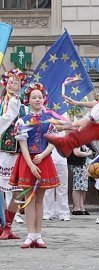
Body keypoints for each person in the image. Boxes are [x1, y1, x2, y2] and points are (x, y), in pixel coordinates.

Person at [9, 82, 60, 248]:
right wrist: (31, 164)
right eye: (34, 97)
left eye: (40, 97)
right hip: (27, 161)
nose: (37, 99)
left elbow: (53, 142)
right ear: (28, 100)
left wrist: (43, 155)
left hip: (44, 160)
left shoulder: (50, 119)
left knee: (39, 199)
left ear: (44, 99)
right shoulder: (22, 121)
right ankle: (30, 234)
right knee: (28, 199)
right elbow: (22, 145)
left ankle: (38, 235)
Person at [0, 68, 27, 240]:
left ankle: (7, 225)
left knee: (18, 190)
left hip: (17, 150)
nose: (12, 83)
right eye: (10, 81)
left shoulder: (19, 102)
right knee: (3, 190)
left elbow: (11, 118)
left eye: (15, 81)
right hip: (3, 150)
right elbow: (6, 118)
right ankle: (3, 225)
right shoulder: (4, 100)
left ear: (21, 85)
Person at [43, 139, 71, 221]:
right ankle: (48, 213)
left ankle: (63, 213)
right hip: (48, 158)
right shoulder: (48, 127)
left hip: (62, 160)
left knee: (62, 187)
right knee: (48, 188)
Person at [67, 144, 93, 215]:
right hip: (78, 165)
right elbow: (77, 153)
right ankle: (76, 207)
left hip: (84, 165)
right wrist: (88, 153)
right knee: (77, 186)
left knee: (83, 187)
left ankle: (81, 206)